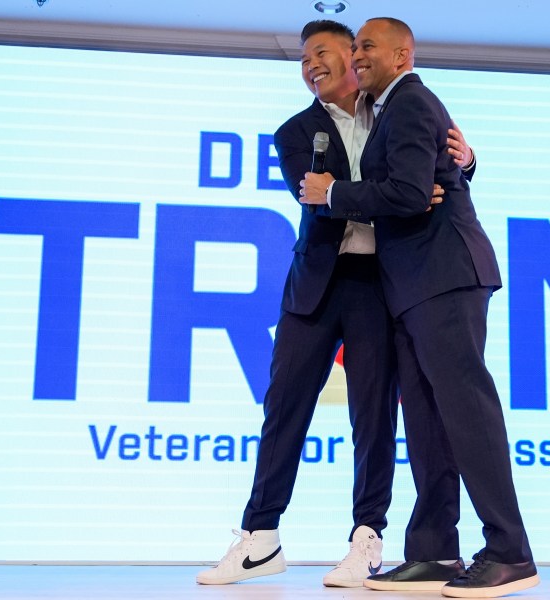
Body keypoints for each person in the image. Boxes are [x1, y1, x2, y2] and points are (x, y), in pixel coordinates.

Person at [196, 20, 475, 588]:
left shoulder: (396, 110)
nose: (309, 66)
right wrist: (409, 198)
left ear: (355, 55)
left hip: (378, 284)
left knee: (373, 418)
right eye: (303, 60)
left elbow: (437, 169)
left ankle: (366, 539)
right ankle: (260, 537)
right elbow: (320, 200)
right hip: (314, 287)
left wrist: (466, 164)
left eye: (320, 53)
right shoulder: (295, 131)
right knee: (285, 408)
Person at [301, 17, 540, 599]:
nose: (356, 55)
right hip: (409, 287)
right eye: (354, 45)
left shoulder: (410, 102)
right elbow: (417, 185)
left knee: (466, 411)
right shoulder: (391, 110)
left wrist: (332, 193)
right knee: (429, 423)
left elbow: (411, 194)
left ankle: (510, 552)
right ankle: (433, 551)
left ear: (402, 55)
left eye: (367, 46)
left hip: (443, 276)